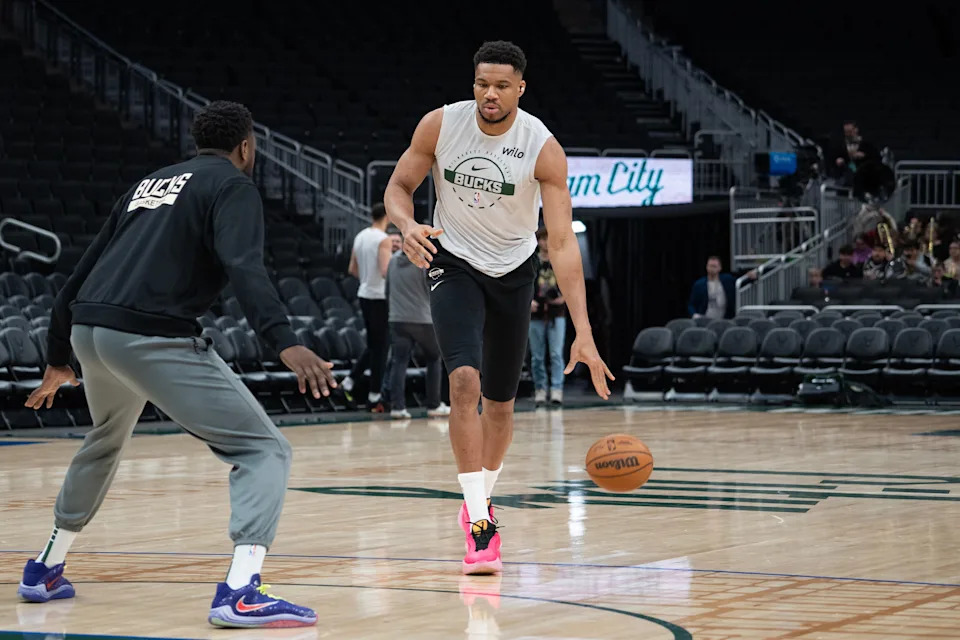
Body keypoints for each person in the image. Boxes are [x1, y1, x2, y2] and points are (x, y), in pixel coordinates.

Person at [17, 101, 333, 628]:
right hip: (147, 335)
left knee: (104, 438)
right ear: (246, 147)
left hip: (90, 332)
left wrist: (57, 356)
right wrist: (285, 342)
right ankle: (240, 592)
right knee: (264, 450)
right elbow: (243, 266)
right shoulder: (233, 185)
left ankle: (45, 568)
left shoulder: (148, 185)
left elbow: (78, 276)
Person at [383, 40, 613, 575]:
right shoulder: (440, 126)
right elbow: (399, 186)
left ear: (520, 88)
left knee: (502, 405)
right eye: (482, 83)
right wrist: (407, 223)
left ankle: (478, 498)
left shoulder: (542, 147)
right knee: (463, 382)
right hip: (454, 261)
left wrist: (584, 331)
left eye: (502, 85)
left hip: (514, 271)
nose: (490, 93)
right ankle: (482, 522)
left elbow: (561, 244)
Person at [385, 230, 450, 420]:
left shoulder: (393, 260)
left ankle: (397, 408)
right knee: (434, 359)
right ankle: (434, 405)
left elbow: (387, 289)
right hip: (422, 319)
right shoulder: (423, 261)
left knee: (399, 363)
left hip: (397, 318)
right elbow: (432, 289)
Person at [341, 203, 393, 409]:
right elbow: (385, 271)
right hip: (380, 296)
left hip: (364, 293)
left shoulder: (361, 235)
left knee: (374, 344)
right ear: (387, 216)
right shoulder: (384, 239)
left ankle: (350, 380)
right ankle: (374, 395)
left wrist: (366, 280)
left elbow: (352, 268)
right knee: (381, 346)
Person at [529, 227, 566, 407]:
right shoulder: (532, 261)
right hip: (535, 313)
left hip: (556, 313)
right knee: (537, 355)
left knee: (556, 353)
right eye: (542, 239)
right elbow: (523, 283)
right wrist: (528, 301)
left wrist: (565, 298)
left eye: (548, 239)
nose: (545, 242)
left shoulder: (561, 260)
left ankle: (557, 389)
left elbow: (571, 281)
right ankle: (540, 389)